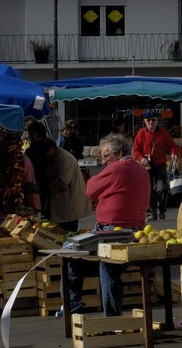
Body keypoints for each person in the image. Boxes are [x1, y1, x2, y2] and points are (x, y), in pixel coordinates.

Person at [64, 133, 150, 316]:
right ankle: (80, 303)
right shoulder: (140, 168)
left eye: (105, 156)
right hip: (136, 227)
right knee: (80, 254)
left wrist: (102, 191)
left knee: (73, 250)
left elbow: (90, 189)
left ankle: (88, 308)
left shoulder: (118, 167)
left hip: (114, 229)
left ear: (118, 154)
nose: (103, 162)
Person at [36, 136, 89, 232]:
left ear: (52, 149)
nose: (44, 155)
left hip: (68, 205)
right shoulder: (54, 158)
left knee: (67, 232)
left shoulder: (64, 158)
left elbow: (62, 181)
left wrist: (44, 188)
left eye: (45, 152)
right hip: (62, 204)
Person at [132, 112, 175, 220]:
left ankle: (162, 209)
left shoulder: (163, 132)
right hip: (146, 164)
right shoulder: (141, 133)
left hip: (160, 163)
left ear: (157, 121)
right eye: (148, 120)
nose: (151, 122)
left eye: (153, 120)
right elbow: (136, 149)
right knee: (149, 188)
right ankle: (152, 211)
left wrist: (173, 152)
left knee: (162, 187)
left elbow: (172, 145)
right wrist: (141, 158)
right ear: (145, 122)